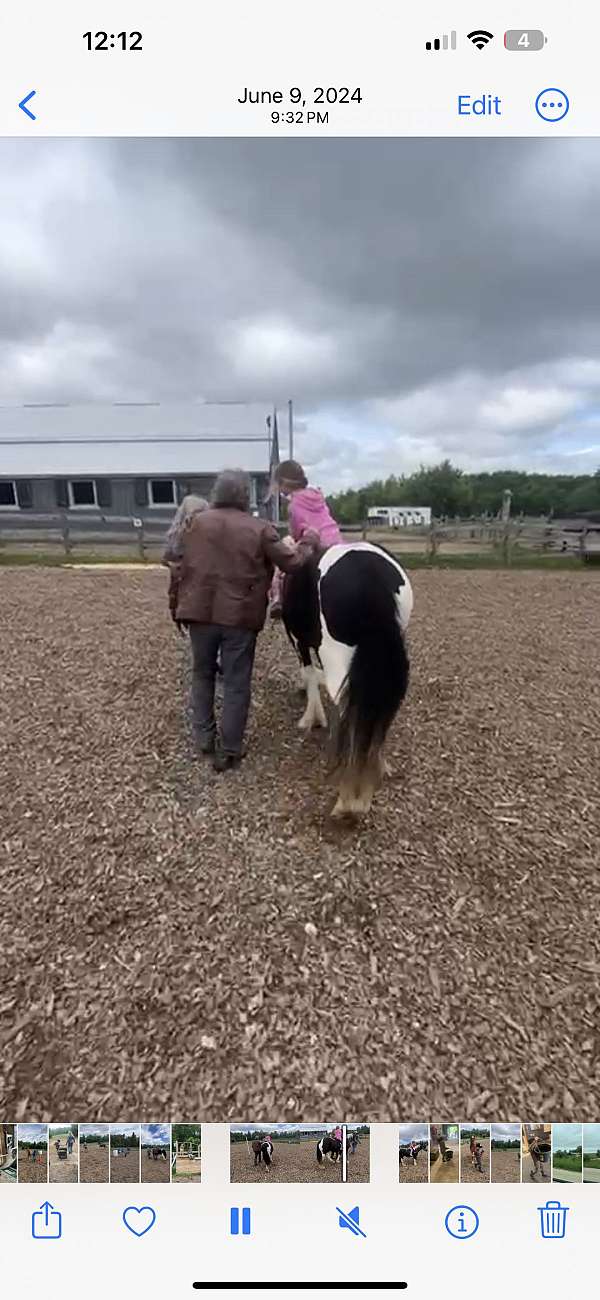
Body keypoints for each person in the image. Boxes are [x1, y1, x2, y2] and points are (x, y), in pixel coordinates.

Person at [169, 469, 320, 772]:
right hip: (239, 617)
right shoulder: (259, 528)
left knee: (202, 676)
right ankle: (230, 749)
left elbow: (172, 559)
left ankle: (204, 739)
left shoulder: (193, 524)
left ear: (216, 493)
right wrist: (309, 542)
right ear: (244, 497)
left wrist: (177, 601)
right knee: (237, 682)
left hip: (198, 613)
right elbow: (291, 564)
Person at [267, 460, 342, 619]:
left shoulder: (294, 505)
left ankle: (277, 600)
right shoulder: (318, 496)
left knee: (281, 566)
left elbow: (297, 534)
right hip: (336, 540)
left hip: (317, 543)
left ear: (283, 483)